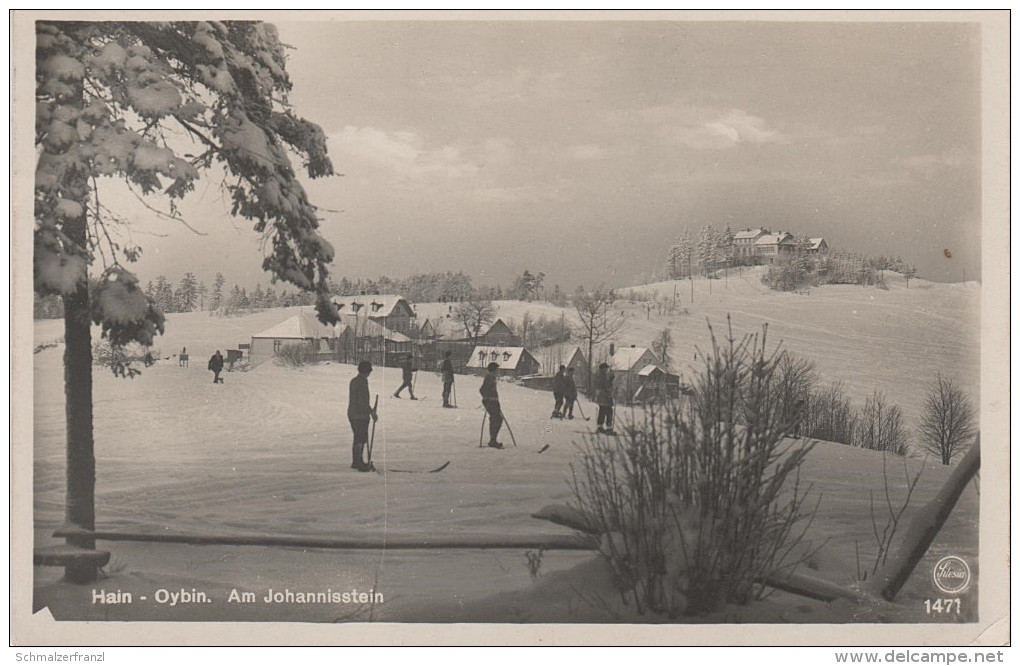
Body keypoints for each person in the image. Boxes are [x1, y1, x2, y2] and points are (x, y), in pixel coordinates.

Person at [348, 360, 378, 472]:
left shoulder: (355, 380)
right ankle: (358, 462)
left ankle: (357, 461)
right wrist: (371, 412)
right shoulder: (362, 382)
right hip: (359, 414)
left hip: (353, 413)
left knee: (359, 438)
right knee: (360, 438)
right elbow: (362, 401)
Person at [480, 361, 504, 449]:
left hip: (493, 402)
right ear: (494, 370)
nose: (498, 371)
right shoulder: (489, 377)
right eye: (497, 369)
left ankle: (493, 440)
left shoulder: (492, 377)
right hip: (490, 402)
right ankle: (493, 440)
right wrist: (488, 398)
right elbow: (482, 389)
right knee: (497, 419)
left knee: (495, 419)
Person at [594, 362, 615, 435]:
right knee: (608, 411)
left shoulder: (601, 376)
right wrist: (611, 380)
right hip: (605, 397)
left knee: (603, 411)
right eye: (606, 368)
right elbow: (607, 387)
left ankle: (600, 427)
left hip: (603, 397)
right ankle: (607, 428)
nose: (606, 370)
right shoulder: (602, 377)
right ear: (603, 369)